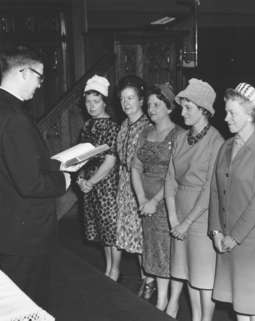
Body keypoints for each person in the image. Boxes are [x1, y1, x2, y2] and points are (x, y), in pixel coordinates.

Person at [0, 45, 70, 306]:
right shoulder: (14, 117)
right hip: (24, 235)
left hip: (6, 226)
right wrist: (62, 179)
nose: (40, 85)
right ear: (23, 72)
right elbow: (30, 183)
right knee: (26, 304)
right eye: (40, 76)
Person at [209, 83, 255, 321]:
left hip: (250, 241)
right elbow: (216, 190)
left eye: (232, 113)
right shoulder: (227, 146)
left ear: (250, 115)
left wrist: (234, 237)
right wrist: (216, 230)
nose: (225, 118)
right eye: (226, 112)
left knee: (253, 303)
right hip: (226, 236)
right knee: (239, 304)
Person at [164, 78, 224, 320]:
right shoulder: (180, 137)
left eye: (188, 108)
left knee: (204, 276)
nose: (182, 112)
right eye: (182, 106)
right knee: (187, 272)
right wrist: (172, 218)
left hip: (201, 217)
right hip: (178, 213)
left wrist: (185, 223)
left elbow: (210, 189)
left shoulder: (217, 142)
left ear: (204, 111)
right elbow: (170, 179)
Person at [132, 83, 181, 311]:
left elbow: (176, 175)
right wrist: (142, 199)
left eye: (157, 104)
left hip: (166, 200)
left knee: (165, 252)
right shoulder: (145, 132)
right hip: (146, 202)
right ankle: (161, 297)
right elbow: (135, 167)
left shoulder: (179, 134)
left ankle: (166, 301)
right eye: (149, 104)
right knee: (152, 250)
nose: (151, 109)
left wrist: (154, 201)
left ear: (170, 108)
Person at [77, 75, 120, 281]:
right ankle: (108, 268)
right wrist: (80, 179)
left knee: (110, 229)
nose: (92, 106)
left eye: (96, 101)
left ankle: (115, 271)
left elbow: (110, 161)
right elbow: (79, 157)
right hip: (90, 183)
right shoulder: (87, 126)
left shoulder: (113, 127)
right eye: (88, 101)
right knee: (102, 231)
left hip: (107, 184)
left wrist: (91, 183)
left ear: (105, 102)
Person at [115, 75, 153, 294]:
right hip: (124, 186)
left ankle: (149, 281)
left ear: (140, 100)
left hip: (140, 187)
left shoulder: (147, 126)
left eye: (130, 98)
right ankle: (145, 279)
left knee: (142, 238)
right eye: (123, 99)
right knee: (133, 239)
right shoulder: (123, 125)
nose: (126, 103)